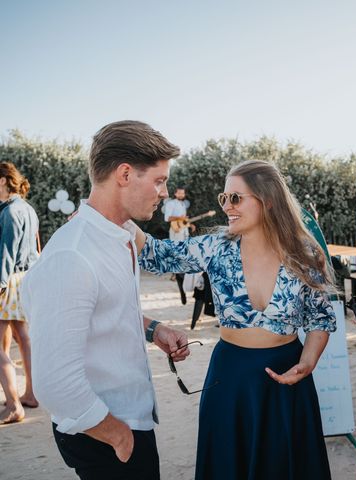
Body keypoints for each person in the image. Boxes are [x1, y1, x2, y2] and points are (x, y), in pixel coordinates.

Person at [133, 159, 337, 480]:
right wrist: (113, 217)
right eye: (224, 198)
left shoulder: (304, 253)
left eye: (236, 198)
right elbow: (157, 255)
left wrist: (308, 362)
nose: (228, 206)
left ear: (267, 201)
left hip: (286, 379)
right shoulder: (216, 248)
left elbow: (321, 320)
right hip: (230, 376)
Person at [21, 120, 191, 480]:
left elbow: (103, 309)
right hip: (106, 433)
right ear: (125, 174)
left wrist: (153, 329)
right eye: (159, 180)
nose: (163, 192)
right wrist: (118, 436)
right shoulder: (73, 255)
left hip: (130, 419)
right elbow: (53, 382)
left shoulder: (124, 235)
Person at [0, 162, 40, 424]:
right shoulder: (27, 208)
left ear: (3, 181)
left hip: (9, 279)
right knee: (23, 336)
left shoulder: (10, 211)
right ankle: (31, 394)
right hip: (27, 278)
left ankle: (14, 404)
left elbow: (6, 252)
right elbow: (37, 246)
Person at [164, 187, 193, 304]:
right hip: (176, 231)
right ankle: (175, 273)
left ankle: (179, 274)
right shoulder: (171, 203)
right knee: (176, 252)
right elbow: (167, 218)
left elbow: (183, 220)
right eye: (179, 193)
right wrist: (180, 218)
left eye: (183, 192)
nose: (181, 194)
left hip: (184, 231)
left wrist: (190, 225)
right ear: (175, 193)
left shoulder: (183, 205)